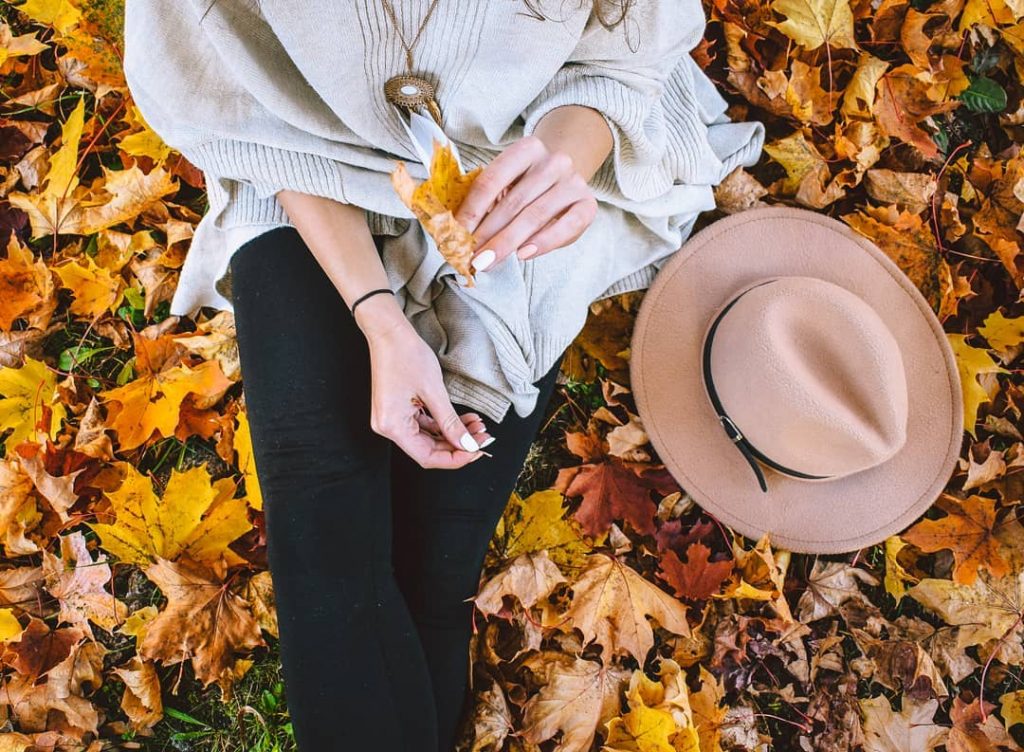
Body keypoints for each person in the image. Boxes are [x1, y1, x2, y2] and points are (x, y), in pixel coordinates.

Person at [121, 0, 764, 749]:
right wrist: (378, 317)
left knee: (438, 555)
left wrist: (562, 160)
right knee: (321, 523)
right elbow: (249, 111)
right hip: (303, 170)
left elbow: (624, 51)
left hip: (529, 147)